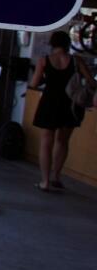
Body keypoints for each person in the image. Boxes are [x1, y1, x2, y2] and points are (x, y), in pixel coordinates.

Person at [29, 30, 93, 192]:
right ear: (67, 43)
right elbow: (92, 82)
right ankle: (56, 177)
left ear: (52, 44)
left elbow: (35, 83)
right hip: (70, 104)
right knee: (63, 141)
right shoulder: (76, 61)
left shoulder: (44, 61)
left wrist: (45, 78)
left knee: (46, 142)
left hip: (49, 103)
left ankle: (45, 181)